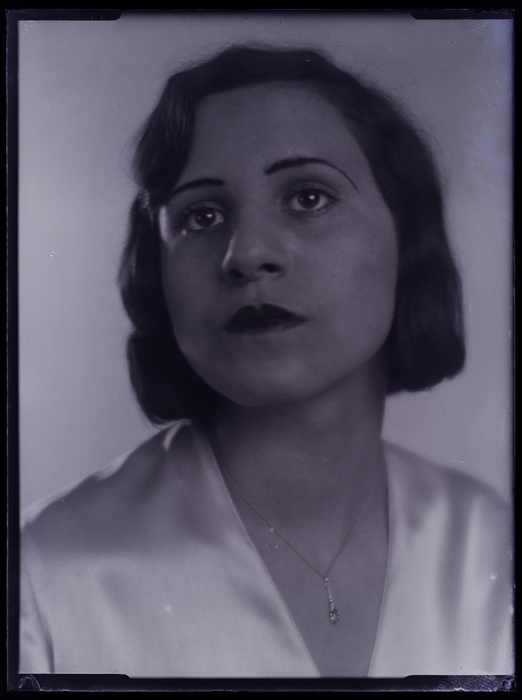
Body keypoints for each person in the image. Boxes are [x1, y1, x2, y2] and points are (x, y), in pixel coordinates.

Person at [20, 46, 513, 678]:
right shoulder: (46, 573)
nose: (246, 254)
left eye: (307, 198)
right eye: (201, 215)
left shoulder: (488, 544)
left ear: (407, 235)